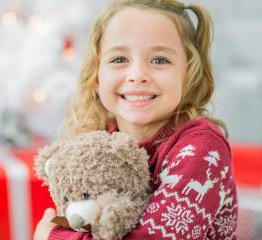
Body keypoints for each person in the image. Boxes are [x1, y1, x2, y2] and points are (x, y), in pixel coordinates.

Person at [34, 0, 238, 239]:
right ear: (97, 77)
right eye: (119, 59)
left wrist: (53, 236)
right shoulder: (96, 143)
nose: (138, 75)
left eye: (160, 60)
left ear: (189, 75)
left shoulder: (202, 148)